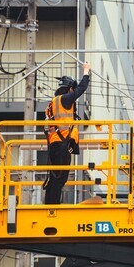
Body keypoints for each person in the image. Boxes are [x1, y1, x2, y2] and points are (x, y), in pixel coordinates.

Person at [43, 62, 91, 204]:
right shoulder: (65, 99)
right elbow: (81, 89)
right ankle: (53, 208)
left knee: (54, 178)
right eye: (72, 90)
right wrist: (86, 72)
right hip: (61, 144)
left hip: (55, 143)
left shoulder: (53, 103)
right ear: (70, 88)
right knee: (60, 178)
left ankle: (49, 206)